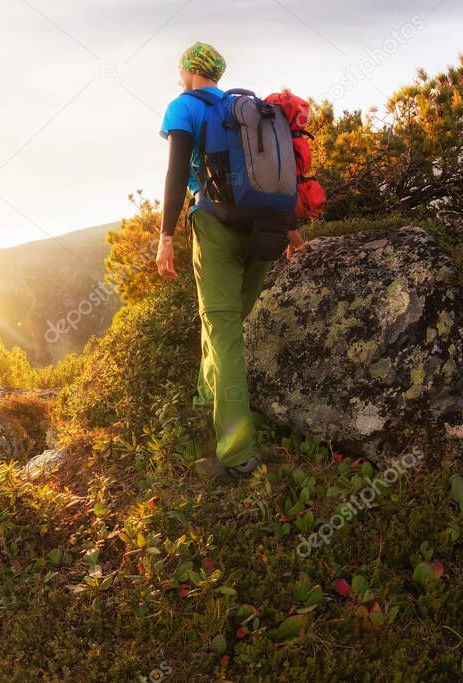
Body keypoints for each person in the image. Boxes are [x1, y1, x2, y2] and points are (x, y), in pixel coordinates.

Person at [156, 41, 305, 479]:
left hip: (217, 227)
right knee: (225, 321)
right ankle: (208, 394)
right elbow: (272, 175)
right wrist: (293, 233)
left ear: (189, 70)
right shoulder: (249, 109)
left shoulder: (184, 107)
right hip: (266, 229)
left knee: (224, 335)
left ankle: (239, 457)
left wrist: (166, 236)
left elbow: (176, 171)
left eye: (181, 69)